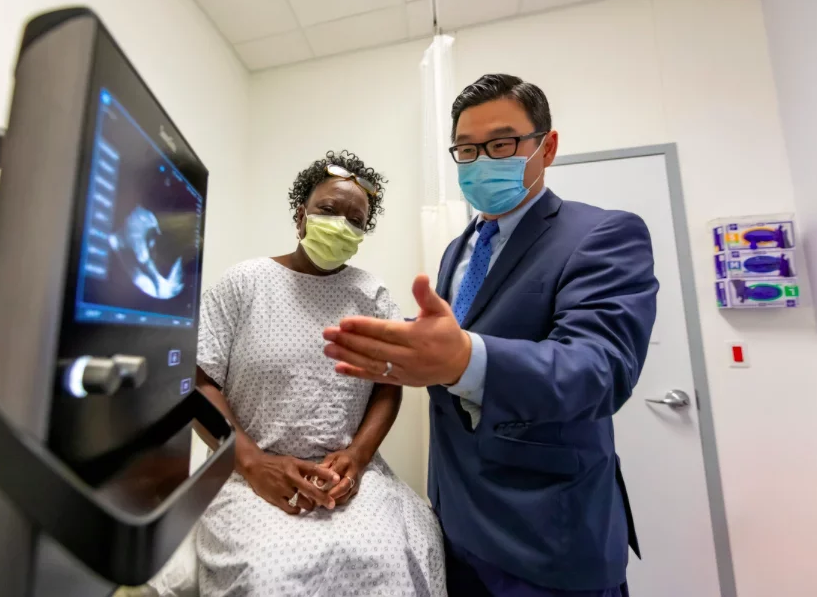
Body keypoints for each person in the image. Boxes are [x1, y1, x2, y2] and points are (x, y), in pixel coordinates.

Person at [322, 74, 659, 596]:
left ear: (546, 147)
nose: (481, 161)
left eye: (501, 144)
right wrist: (408, 345)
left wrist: (463, 360)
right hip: (457, 518)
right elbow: (462, 335)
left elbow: (599, 369)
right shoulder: (459, 249)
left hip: (546, 532)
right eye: (466, 149)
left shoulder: (601, 235)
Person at [193, 151, 445, 596]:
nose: (340, 225)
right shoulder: (244, 284)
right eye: (328, 210)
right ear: (300, 215)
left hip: (348, 474)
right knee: (270, 577)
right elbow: (200, 380)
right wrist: (251, 462)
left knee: (393, 563)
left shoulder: (371, 294)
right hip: (249, 469)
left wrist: (359, 457)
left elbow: (388, 386)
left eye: (355, 220)